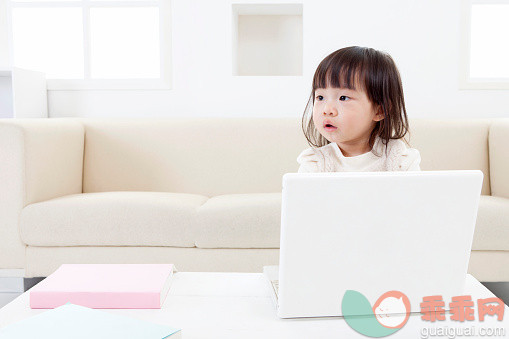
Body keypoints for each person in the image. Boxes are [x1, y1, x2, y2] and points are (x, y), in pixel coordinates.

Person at [298, 46, 421, 173]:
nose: (327, 109)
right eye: (320, 97)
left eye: (343, 98)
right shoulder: (316, 164)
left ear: (380, 111)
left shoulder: (399, 160)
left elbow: (414, 192)